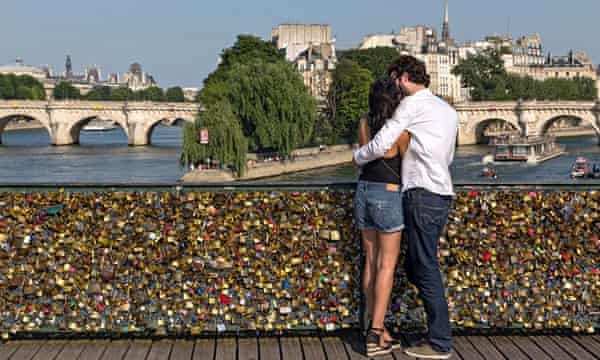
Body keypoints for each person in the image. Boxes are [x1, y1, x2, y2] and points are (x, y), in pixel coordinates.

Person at [354, 55, 458, 360]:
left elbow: (380, 146)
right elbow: (449, 155)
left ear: (402, 77)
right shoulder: (447, 110)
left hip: (414, 192)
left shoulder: (409, 107)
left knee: (414, 267)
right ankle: (384, 329)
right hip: (439, 191)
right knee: (418, 265)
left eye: (396, 78)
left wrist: (357, 157)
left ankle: (437, 341)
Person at [354, 79, 411, 357]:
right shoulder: (399, 131)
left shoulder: (364, 122)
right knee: (386, 266)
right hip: (388, 195)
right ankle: (375, 334)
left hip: (363, 190)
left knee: (371, 263)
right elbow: (409, 164)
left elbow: (364, 156)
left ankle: (377, 328)